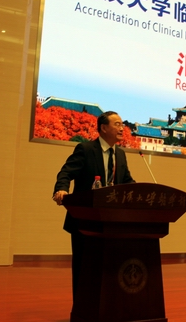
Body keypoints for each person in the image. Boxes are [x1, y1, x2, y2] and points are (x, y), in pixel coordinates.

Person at [52, 111, 135, 302]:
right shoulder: (86, 149)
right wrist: (62, 189)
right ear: (103, 128)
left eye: (122, 124)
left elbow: (127, 182)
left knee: (109, 267)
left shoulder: (120, 154)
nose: (122, 128)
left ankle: (106, 306)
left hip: (112, 222)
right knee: (84, 267)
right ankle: (81, 308)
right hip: (85, 220)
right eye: (117, 124)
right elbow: (66, 173)